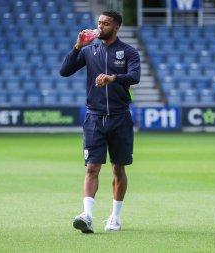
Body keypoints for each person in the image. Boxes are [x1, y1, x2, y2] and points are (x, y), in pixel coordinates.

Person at [60, 10, 141, 233]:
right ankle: (87, 215)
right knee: (92, 167)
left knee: (118, 169)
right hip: (94, 117)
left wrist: (113, 77)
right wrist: (77, 45)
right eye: (99, 23)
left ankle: (115, 217)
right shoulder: (88, 51)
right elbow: (64, 71)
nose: (100, 26)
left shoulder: (128, 52)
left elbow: (135, 77)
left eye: (105, 23)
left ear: (116, 27)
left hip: (120, 117)